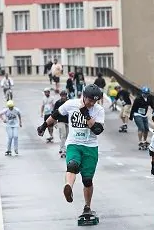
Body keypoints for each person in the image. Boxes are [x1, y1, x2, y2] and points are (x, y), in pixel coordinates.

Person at [37, 84, 105, 216]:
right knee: (72, 165)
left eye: (94, 101)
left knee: (87, 180)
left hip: (90, 147)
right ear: (84, 96)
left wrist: (86, 114)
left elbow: (97, 130)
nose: (92, 103)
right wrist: (44, 125)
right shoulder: (71, 104)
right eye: (90, 100)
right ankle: (68, 186)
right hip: (74, 144)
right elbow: (56, 114)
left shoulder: (98, 110)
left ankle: (87, 207)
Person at [53, 90, 69, 158]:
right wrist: (54, 121)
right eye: (62, 96)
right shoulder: (58, 103)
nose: (63, 97)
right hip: (60, 121)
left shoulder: (69, 102)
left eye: (64, 95)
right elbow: (54, 113)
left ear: (66, 95)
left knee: (67, 136)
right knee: (63, 135)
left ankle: (63, 147)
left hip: (68, 121)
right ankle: (63, 150)